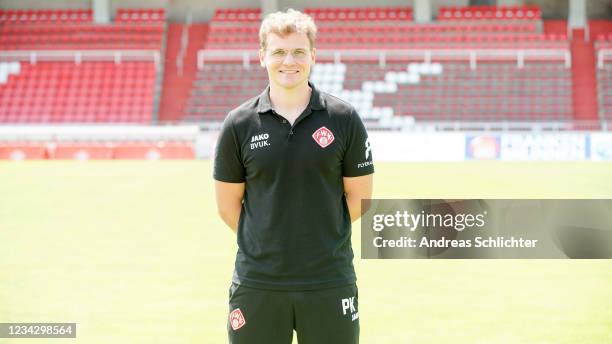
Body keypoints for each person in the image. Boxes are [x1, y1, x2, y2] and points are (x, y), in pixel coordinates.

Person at [213, 8, 374, 344]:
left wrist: (319, 238)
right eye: (279, 52)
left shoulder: (344, 118)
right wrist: (267, 241)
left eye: (299, 51)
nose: (289, 61)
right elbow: (228, 206)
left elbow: (360, 198)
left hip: (328, 279)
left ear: (313, 56)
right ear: (263, 57)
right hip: (258, 282)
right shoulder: (238, 124)